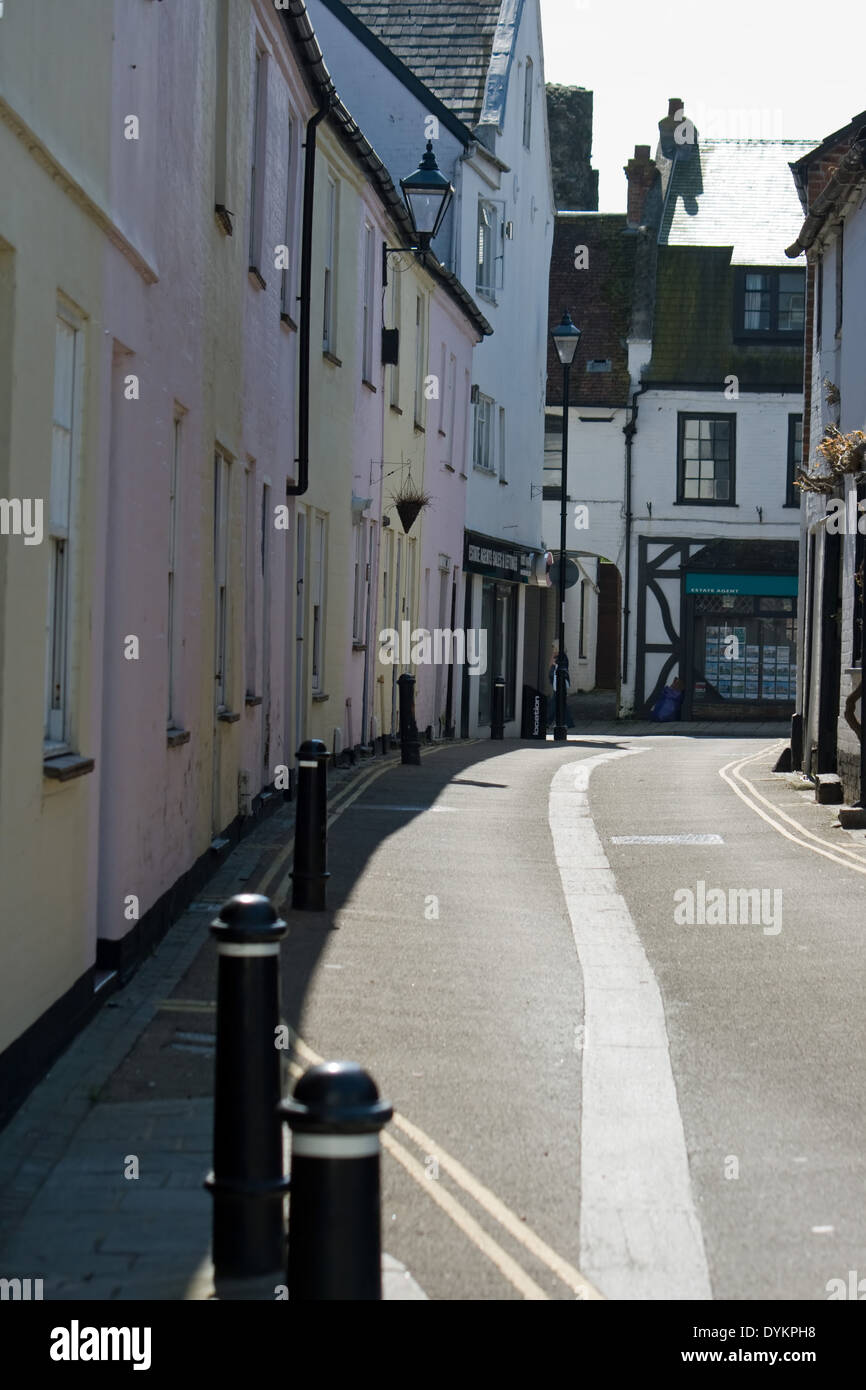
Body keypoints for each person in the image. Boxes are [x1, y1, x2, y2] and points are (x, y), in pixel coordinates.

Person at [548, 648, 574, 729]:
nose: (552, 649)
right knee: (560, 703)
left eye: (553, 647)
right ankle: (567, 722)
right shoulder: (558, 656)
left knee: (555, 703)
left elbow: (558, 669)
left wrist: (553, 663)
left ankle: (548, 721)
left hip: (559, 684)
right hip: (557, 684)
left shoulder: (561, 657)